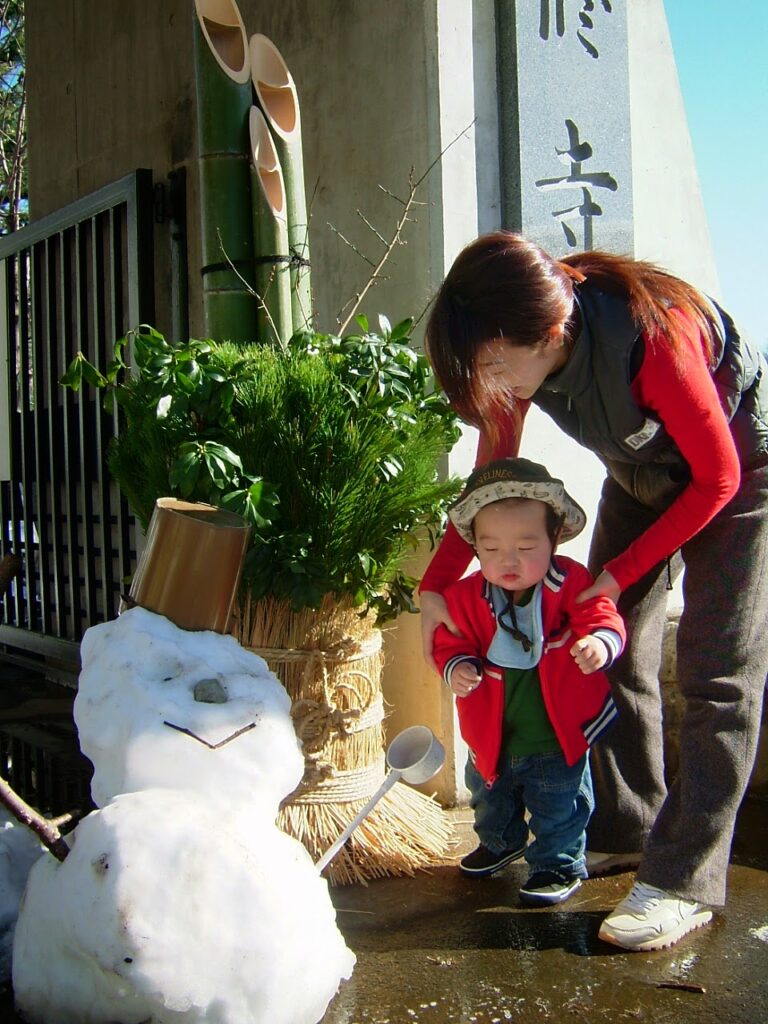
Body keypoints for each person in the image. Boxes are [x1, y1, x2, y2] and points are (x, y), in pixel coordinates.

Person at [419, 231, 768, 951]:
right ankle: (628, 826)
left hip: (737, 478)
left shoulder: (656, 337)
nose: (488, 377)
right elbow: (492, 486)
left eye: (492, 360)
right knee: (603, 644)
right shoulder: (522, 365)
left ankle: (683, 881)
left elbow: (718, 478)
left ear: (547, 331)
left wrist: (613, 574)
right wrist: (434, 585)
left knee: (716, 671)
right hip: (640, 476)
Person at [433, 457, 625, 906]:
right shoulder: (465, 597)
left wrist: (600, 640)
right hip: (492, 732)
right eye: (492, 548)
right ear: (475, 547)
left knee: (559, 806)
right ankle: (500, 843)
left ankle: (556, 864)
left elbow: (600, 611)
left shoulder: (569, 582)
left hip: (555, 736)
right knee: (489, 796)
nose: (509, 561)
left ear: (554, 539)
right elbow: (447, 640)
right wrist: (456, 663)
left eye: (525, 545)